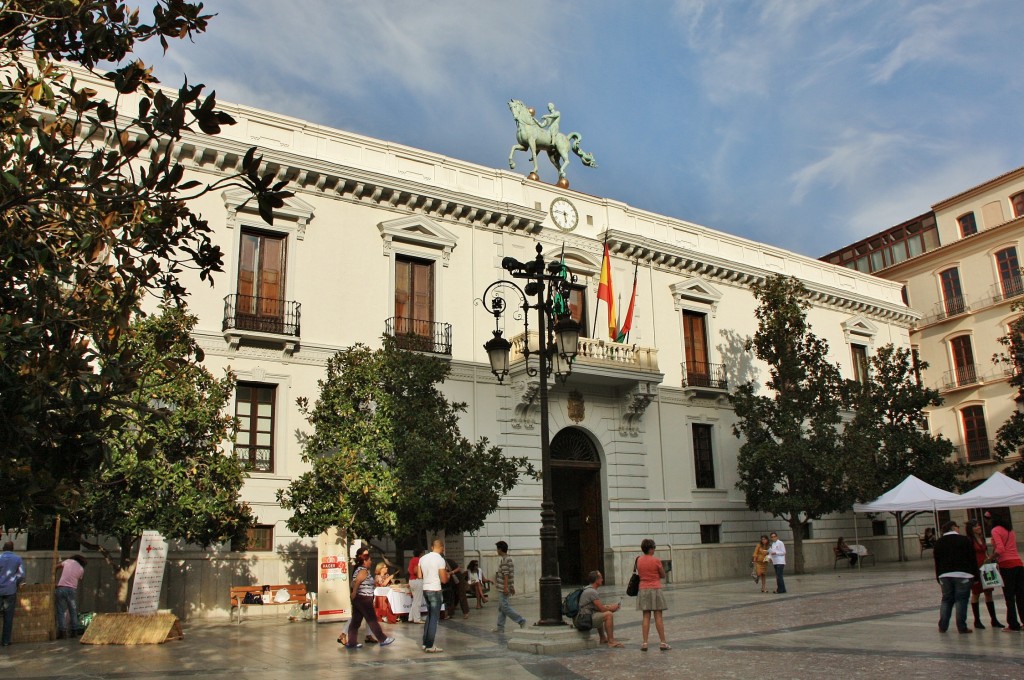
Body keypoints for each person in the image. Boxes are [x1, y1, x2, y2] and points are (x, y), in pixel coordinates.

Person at [339, 548, 394, 649]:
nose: (371, 562)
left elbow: (354, 582)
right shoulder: (363, 570)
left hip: (360, 598)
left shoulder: (360, 569)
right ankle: (383, 639)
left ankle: (352, 642)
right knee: (372, 620)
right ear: (365, 561)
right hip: (364, 598)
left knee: (355, 621)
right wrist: (354, 593)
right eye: (369, 560)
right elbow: (358, 582)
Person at [933, 520, 980, 634]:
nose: (959, 528)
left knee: (946, 600)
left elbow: (937, 561)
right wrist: (976, 576)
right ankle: (961, 626)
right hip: (963, 574)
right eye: (957, 526)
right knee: (961, 600)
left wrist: (938, 576)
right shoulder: (964, 540)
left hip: (945, 575)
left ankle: (943, 626)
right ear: (953, 527)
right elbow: (972, 558)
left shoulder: (939, 542)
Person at [966, 519, 1003, 630]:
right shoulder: (969, 540)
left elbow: (985, 551)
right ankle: (977, 620)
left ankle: (994, 619)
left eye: (978, 525)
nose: (979, 527)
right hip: (976, 568)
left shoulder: (981, 538)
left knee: (988, 592)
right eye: (976, 526)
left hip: (986, 567)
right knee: (976, 593)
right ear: (971, 528)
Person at [989, 514, 1024, 632]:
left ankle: (1013, 624)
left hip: (1006, 564)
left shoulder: (995, 530)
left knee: (1009, 596)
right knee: (1021, 595)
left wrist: (990, 558)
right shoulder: (1011, 531)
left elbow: (1000, 549)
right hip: (1018, 563)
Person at [636, 538, 670, 651]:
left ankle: (645, 642)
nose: (654, 550)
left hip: (643, 589)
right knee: (658, 616)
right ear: (651, 549)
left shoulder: (638, 560)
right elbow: (663, 575)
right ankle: (663, 642)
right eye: (654, 548)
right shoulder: (656, 560)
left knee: (645, 616)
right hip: (655, 588)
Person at [418, 538, 448, 653]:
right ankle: (430, 645)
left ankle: (425, 643)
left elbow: (419, 575)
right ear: (441, 547)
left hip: (425, 589)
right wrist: (448, 576)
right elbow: (444, 579)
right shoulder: (440, 560)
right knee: (434, 618)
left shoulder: (422, 558)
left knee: (429, 616)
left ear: (431, 547)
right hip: (435, 589)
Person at [578, 570, 623, 648]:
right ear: (597, 580)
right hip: (584, 619)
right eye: (601, 578)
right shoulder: (592, 592)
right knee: (608, 615)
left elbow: (598, 607)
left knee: (600, 614)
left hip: (584, 616)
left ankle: (602, 638)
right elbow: (602, 609)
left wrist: (609, 606)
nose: (602, 580)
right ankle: (611, 641)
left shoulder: (588, 589)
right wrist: (612, 608)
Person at [492, 540, 527, 633]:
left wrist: (506, 587)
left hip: (503, 587)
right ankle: (500, 627)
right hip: (505, 586)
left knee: (504, 607)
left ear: (500, 549)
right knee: (501, 607)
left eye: (497, 549)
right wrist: (511, 586)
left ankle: (521, 620)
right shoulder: (508, 559)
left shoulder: (505, 560)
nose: (497, 551)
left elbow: (506, 574)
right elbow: (510, 574)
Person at [55, 554, 86, 638]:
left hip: (61, 588)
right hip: (72, 590)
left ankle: (62, 631)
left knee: (60, 610)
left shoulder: (67, 561)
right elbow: (80, 579)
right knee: (72, 610)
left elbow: (56, 567)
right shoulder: (81, 569)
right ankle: (74, 631)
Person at [0, 541, 25, 647]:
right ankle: (5, 641)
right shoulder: (17, 559)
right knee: (8, 617)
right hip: (10, 590)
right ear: (13, 548)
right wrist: (16, 582)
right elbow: (21, 574)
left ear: (3, 548)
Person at [407, 548, 424, 624]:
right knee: (417, 601)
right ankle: (417, 618)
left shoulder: (412, 560)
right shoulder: (418, 560)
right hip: (417, 580)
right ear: (421, 553)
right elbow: (416, 570)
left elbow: (409, 570)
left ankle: (411, 617)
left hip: (412, 580)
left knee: (415, 600)